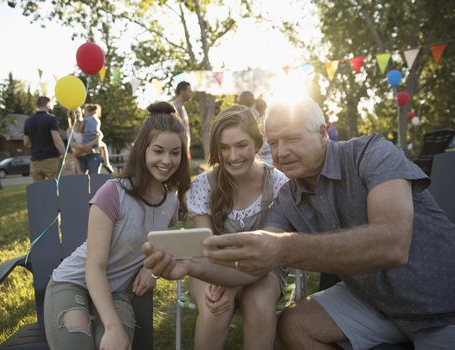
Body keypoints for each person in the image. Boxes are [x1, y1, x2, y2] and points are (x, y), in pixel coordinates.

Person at [193, 97, 455, 349]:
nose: (281, 152)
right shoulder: (288, 197)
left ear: (322, 133)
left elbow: (392, 244)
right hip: (374, 303)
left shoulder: (371, 153)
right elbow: (255, 260)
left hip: (442, 307)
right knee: (295, 324)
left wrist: (282, 248)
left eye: (292, 139)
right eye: (273, 142)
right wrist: (189, 266)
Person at [43, 101, 191, 350]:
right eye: (158, 151)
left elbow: (161, 246)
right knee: (77, 340)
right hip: (74, 281)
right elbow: (95, 267)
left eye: (175, 152)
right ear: (143, 149)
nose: (167, 160)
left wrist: (151, 269)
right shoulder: (113, 193)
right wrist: (111, 327)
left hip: (117, 291)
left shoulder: (172, 204)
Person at [185, 105, 288, 349]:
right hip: (211, 266)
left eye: (241, 145)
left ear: (256, 144)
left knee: (260, 303)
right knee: (215, 306)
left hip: (266, 268)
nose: (233, 155)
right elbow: (204, 247)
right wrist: (223, 279)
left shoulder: (277, 184)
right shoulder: (204, 185)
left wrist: (234, 281)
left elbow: (274, 248)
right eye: (224, 147)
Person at [23, 96, 65, 182]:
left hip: (35, 161)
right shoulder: (51, 119)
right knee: (53, 188)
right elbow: (56, 139)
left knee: (39, 190)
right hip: (51, 159)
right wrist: (64, 153)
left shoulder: (28, 121)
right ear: (48, 104)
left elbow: (26, 142)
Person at [77, 104, 114, 175]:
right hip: (95, 141)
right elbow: (98, 132)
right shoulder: (97, 120)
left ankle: (106, 163)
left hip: (86, 141)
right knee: (103, 146)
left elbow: (80, 130)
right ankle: (107, 163)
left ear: (87, 112)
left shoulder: (85, 120)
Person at [172, 81, 192, 159]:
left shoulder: (181, 107)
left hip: (184, 147)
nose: (191, 93)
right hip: (179, 148)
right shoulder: (175, 108)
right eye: (189, 91)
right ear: (182, 91)